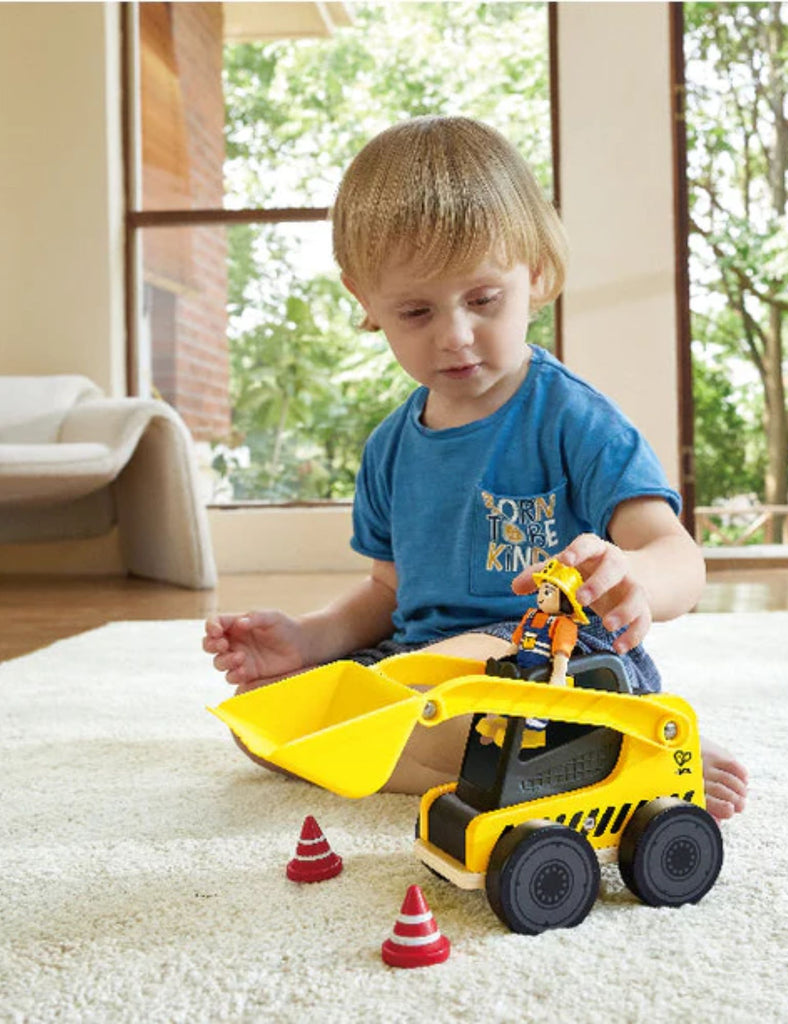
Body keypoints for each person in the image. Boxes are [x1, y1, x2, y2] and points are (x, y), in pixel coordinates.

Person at [203, 116, 747, 820]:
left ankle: (622, 749)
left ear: (537, 272)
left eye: (483, 300)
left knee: (412, 694)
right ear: (365, 303)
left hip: (557, 664)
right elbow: (386, 594)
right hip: (426, 665)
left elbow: (679, 555)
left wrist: (634, 575)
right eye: (416, 311)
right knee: (262, 718)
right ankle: (548, 771)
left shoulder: (574, 419)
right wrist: (310, 638)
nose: (455, 335)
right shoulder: (390, 449)